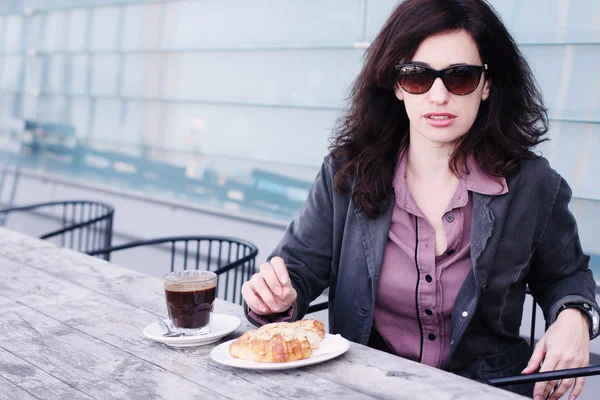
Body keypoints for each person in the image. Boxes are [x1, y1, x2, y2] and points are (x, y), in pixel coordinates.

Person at [241, 0, 599, 398]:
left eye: (460, 77)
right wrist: (275, 296)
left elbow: (567, 275)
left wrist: (574, 317)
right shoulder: (347, 174)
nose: (439, 95)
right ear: (396, 84)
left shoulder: (533, 185)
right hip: (359, 387)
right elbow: (296, 271)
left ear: (487, 85)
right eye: (417, 77)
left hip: (485, 389)